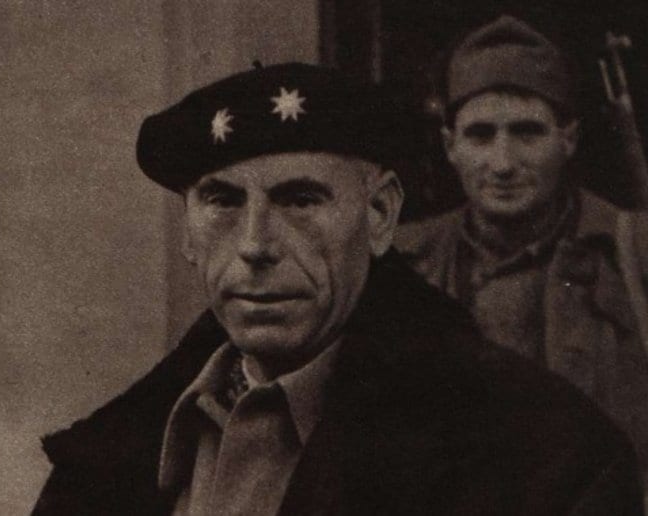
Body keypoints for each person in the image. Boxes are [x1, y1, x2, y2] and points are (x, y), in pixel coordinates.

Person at [32, 63, 642, 515]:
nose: (255, 244)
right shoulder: (122, 452)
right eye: (221, 201)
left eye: (300, 200)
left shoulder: (542, 455)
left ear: (379, 215)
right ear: (188, 233)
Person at [395, 15, 648, 486]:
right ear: (450, 146)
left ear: (568, 139)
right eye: (480, 135)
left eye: (527, 132)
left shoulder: (632, 252)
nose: (503, 163)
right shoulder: (400, 263)